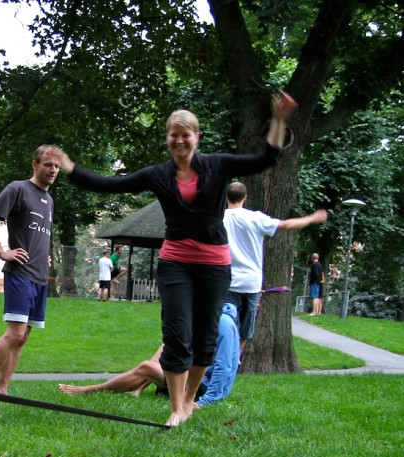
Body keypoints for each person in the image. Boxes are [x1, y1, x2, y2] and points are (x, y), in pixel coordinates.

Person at [55, 91, 297, 426]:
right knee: (176, 333)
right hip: (176, 263)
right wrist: (69, 167)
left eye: (186, 134)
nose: (179, 140)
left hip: (214, 264)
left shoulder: (217, 165)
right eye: (174, 134)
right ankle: (175, 409)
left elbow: (264, 159)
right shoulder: (158, 174)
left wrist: (280, 119)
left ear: (197, 137)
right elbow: (111, 184)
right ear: (168, 138)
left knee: (205, 337)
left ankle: (185, 402)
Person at [0, 145, 59, 399]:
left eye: (56, 166)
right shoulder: (18, 189)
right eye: (48, 164)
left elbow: (40, 233)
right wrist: (2, 251)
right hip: (20, 273)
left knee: (23, 338)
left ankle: (3, 389)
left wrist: (44, 253)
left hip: (40, 276)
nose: (53, 170)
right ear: (35, 165)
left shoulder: (50, 200)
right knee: (15, 333)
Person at [58, 303, 241, 410]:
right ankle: (136, 389)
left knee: (146, 367)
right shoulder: (207, 318)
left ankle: (89, 390)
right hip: (189, 376)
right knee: (167, 345)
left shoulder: (223, 324)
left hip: (200, 386)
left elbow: (224, 367)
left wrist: (204, 402)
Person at [224, 181, 327, 351]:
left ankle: (225, 356)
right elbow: (285, 225)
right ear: (245, 197)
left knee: (225, 323)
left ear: (226, 197)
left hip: (227, 282)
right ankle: (236, 357)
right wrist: (312, 218)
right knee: (246, 327)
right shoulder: (255, 218)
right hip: (251, 283)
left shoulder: (219, 220)